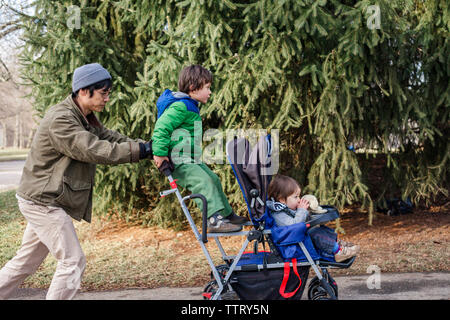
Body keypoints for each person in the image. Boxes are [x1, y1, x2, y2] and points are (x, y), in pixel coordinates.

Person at [0, 63, 153, 300]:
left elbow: (108, 137)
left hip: (43, 199)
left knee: (24, 264)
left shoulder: (82, 116)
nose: (107, 98)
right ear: (84, 91)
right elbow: (93, 149)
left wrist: (146, 148)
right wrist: (141, 151)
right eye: (103, 93)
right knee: (73, 261)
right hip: (42, 202)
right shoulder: (61, 119)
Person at [152, 64, 248, 233]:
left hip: (189, 159)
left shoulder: (189, 105)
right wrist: (159, 154)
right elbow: (161, 127)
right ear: (193, 87)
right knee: (203, 183)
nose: (210, 92)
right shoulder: (181, 106)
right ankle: (213, 220)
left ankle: (226, 214)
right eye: (207, 88)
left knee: (213, 179)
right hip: (177, 160)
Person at [266, 175, 360, 262]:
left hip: (298, 240)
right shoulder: (278, 213)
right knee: (313, 232)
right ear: (282, 199)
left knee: (318, 229)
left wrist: (309, 211)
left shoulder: (286, 208)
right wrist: (302, 210)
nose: (299, 200)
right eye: (296, 197)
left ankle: (337, 246)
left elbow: (300, 220)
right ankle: (338, 252)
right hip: (294, 246)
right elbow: (294, 225)